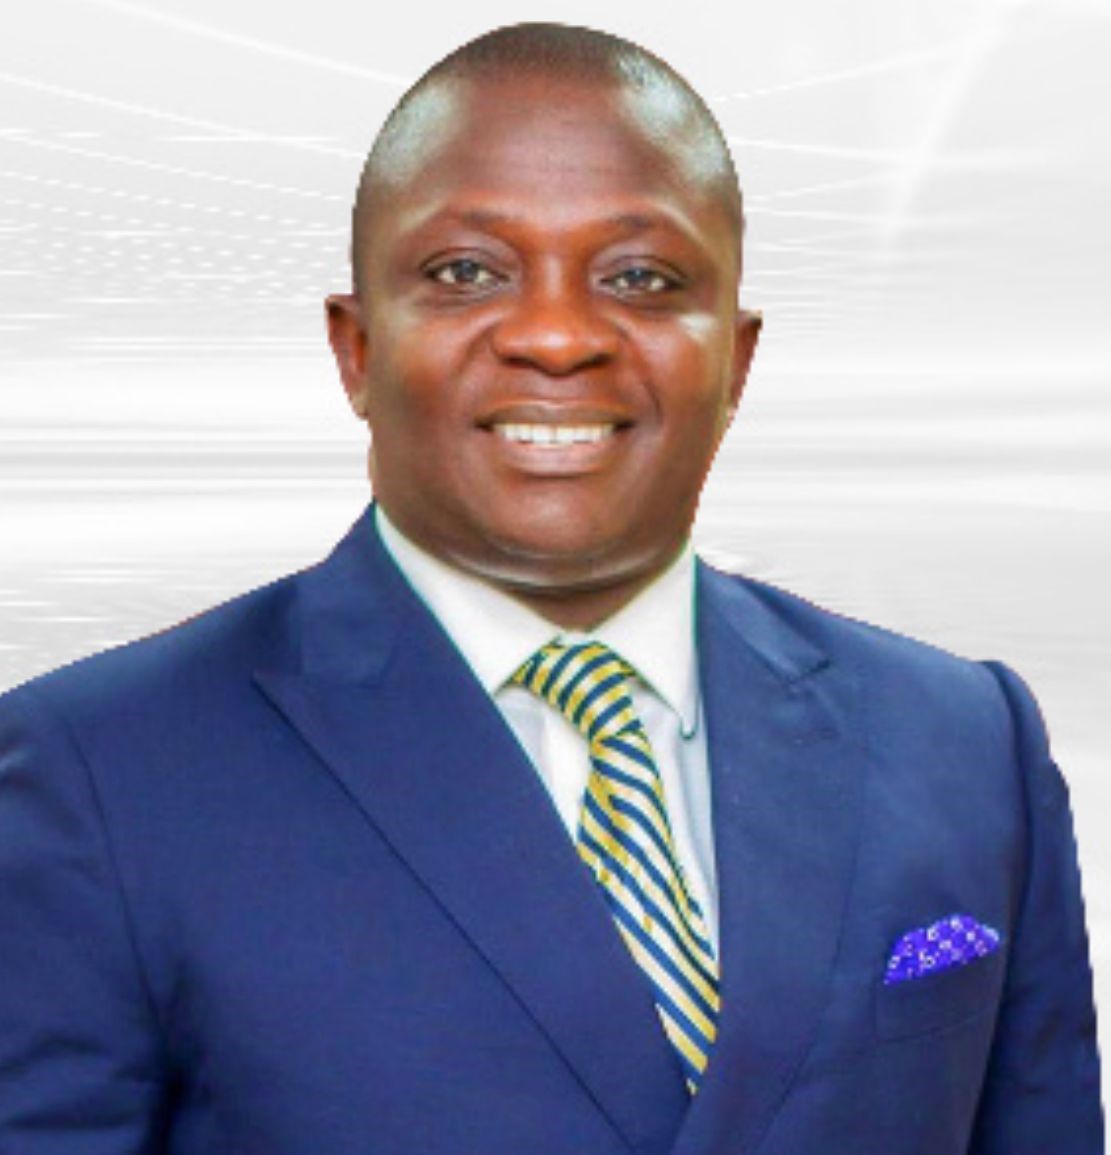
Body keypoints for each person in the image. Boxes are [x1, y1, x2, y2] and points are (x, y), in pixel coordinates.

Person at [0, 21, 1102, 1154]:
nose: (558, 337)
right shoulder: (92, 776)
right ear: (355, 348)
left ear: (737, 358)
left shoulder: (967, 742)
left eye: (640, 278)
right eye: (466, 272)